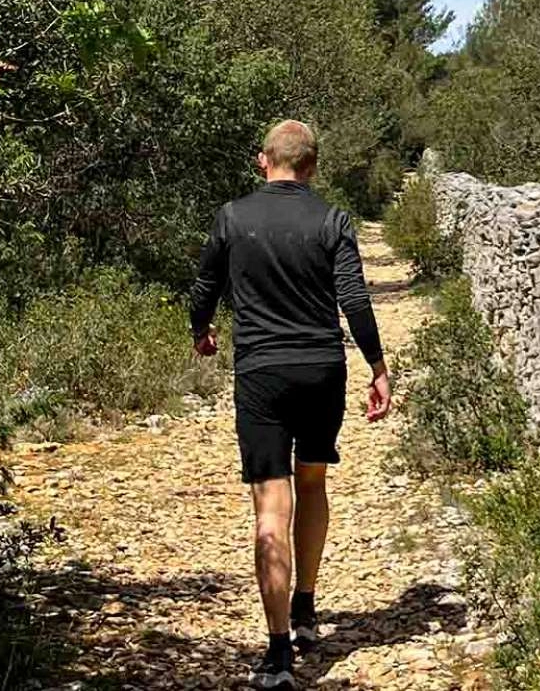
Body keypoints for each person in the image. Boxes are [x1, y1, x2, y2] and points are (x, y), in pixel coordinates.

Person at [188, 119, 392, 690]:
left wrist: (201, 331)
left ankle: (278, 654)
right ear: (313, 166)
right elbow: (354, 299)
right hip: (322, 369)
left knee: (270, 508)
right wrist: (377, 367)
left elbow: (204, 288)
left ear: (263, 160)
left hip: (261, 373)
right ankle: (305, 604)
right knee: (313, 483)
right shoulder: (332, 220)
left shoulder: (233, 217)